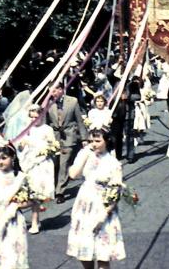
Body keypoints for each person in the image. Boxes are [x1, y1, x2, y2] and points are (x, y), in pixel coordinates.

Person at [66, 129, 126, 268]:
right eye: (91, 141)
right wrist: (84, 155)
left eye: (98, 141)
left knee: (102, 253)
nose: (93, 144)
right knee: (84, 249)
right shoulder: (86, 155)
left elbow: (116, 191)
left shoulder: (113, 163)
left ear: (106, 141)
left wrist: (104, 213)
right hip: (85, 202)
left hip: (103, 205)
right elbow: (73, 174)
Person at [15, 104, 56, 234]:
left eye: (36, 116)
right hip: (28, 162)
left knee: (36, 193)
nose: (34, 119)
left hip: (42, 163)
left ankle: (34, 222)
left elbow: (53, 146)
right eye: (31, 117)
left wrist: (44, 150)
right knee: (28, 192)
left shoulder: (47, 129)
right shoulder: (26, 130)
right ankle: (31, 219)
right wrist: (22, 144)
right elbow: (20, 148)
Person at [45, 85, 87, 203]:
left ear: (60, 90)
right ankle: (52, 187)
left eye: (54, 90)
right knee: (54, 163)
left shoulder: (72, 101)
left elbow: (79, 120)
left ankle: (60, 192)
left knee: (64, 164)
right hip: (54, 138)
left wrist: (84, 138)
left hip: (69, 136)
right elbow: (45, 122)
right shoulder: (48, 103)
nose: (52, 93)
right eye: (50, 91)